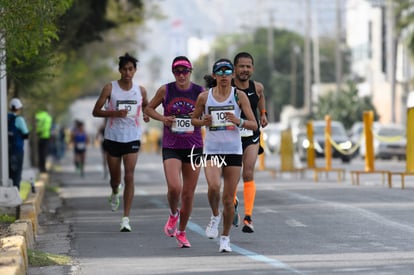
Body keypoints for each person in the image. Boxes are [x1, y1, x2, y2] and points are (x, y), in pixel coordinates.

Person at [191, 58, 258, 252]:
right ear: (214, 76)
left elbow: (254, 124)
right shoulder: (205, 97)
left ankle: (225, 237)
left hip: (233, 151)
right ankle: (214, 215)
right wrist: (203, 121)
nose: (223, 76)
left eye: (227, 73)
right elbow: (193, 120)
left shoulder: (239, 96)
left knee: (228, 199)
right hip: (212, 150)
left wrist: (239, 121)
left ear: (232, 75)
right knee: (213, 187)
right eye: (219, 73)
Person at [145, 56, 204, 248]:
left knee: (188, 194)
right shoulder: (166, 89)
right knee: (174, 187)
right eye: (177, 71)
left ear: (190, 72)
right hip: (171, 145)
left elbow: (209, 112)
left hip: (194, 146)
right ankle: (173, 214)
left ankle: (182, 231)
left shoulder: (199, 92)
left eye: (184, 71)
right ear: (173, 73)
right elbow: (148, 108)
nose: (181, 75)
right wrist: (163, 118)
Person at [92, 53, 149, 232]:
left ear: (135, 71)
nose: (127, 72)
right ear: (119, 70)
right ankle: (115, 191)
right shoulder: (110, 88)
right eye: (124, 69)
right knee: (115, 178)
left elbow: (146, 105)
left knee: (129, 175)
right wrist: (114, 113)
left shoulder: (140, 90)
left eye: (130, 69)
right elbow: (96, 111)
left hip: (132, 137)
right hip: (113, 137)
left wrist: (147, 114)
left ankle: (126, 218)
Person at [232, 52, 268, 233]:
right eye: (241, 66)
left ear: (252, 68)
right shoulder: (226, 87)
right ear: (234, 69)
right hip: (230, 138)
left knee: (248, 172)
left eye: (248, 66)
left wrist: (263, 114)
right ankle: (233, 202)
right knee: (232, 176)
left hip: (251, 136)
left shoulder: (257, 87)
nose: (245, 70)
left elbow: (261, 97)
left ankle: (248, 217)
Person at [8, 98, 29, 190]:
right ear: (19, 108)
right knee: (16, 174)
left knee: (8, 173)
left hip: (7, 151)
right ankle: (16, 196)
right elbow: (26, 133)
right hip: (17, 150)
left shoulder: (5, 118)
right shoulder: (19, 119)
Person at [35, 108, 52, 173]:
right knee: (44, 153)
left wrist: (38, 132)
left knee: (40, 153)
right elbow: (47, 127)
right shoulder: (48, 117)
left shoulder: (37, 115)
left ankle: (40, 167)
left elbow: (35, 125)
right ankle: (43, 168)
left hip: (39, 136)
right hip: (46, 136)